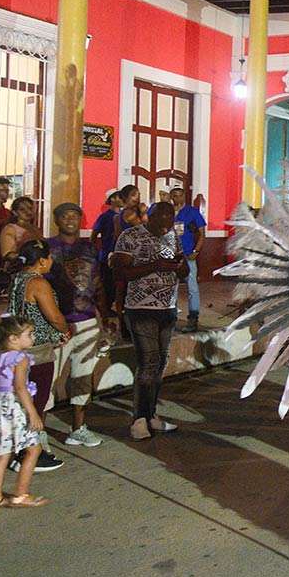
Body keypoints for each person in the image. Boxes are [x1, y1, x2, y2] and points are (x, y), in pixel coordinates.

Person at [111, 201, 186, 440]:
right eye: (161, 222)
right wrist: (156, 265)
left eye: (170, 221)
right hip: (140, 308)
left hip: (168, 307)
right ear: (150, 217)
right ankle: (139, 419)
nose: (166, 227)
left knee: (160, 363)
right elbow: (121, 272)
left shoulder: (172, 236)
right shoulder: (130, 236)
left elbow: (183, 272)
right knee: (148, 362)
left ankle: (152, 413)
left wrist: (179, 266)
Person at [47, 203, 112, 447]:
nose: (70, 220)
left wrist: (105, 316)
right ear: (57, 220)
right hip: (56, 323)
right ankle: (37, 433)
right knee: (47, 378)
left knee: (83, 376)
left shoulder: (89, 248)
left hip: (86, 321)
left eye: (75, 215)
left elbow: (98, 283)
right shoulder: (48, 247)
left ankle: (78, 427)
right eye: (65, 216)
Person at [0, 315, 48, 511]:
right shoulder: (19, 358)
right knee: (34, 449)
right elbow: (20, 388)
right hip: (15, 406)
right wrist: (33, 413)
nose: (33, 337)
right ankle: (21, 494)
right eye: (29, 334)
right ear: (14, 338)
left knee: (2, 455)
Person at [6, 240, 70, 471]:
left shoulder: (18, 279)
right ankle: (30, 453)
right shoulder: (38, 283)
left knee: (24, 400)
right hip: (36, 351)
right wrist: (64, 329)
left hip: (17, 347)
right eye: (49, 258)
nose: (51, 261)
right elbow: (53, 316)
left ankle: (20, 450)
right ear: (42, 261)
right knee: (36, 402)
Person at [168, 186, 206, 333]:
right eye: (175, 196)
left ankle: (193, 318)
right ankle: (171, 318)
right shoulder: (168, 212)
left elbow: (202, 234)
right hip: (171, 256)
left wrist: (196, 251)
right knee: (172, 287)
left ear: (184, 196)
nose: (177, 198)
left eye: (180, 195)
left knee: (192, 288)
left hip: (188, 255)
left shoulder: (192, 212)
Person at [92, 188, 123, 308]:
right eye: (119, 197)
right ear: (113, 199)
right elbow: (94, 235)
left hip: (120, 255)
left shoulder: (124, 216)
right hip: (107, 256)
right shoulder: (105, 217)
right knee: (108, 283)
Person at [0, 195, 42, 266]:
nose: (28, 212)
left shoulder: (35, 228)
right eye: (22, 209)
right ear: (15, 212)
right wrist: (27, 256)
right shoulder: (10, 229)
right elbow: (7, 254)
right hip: (18, 268)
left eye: (30, 208)